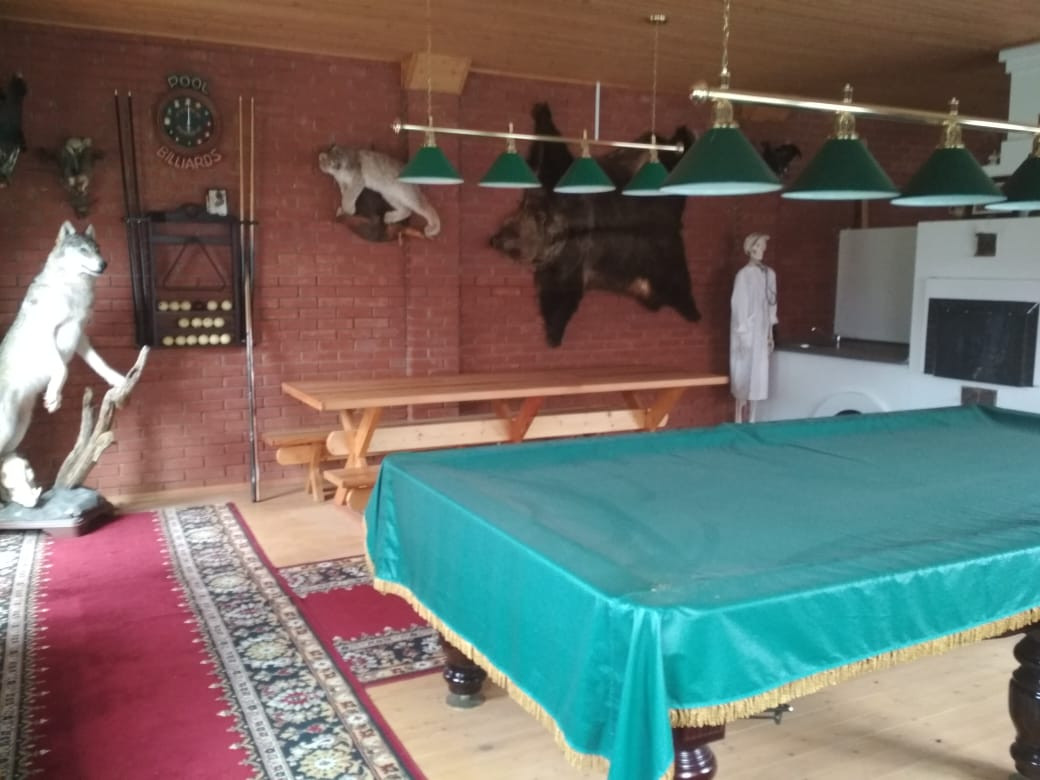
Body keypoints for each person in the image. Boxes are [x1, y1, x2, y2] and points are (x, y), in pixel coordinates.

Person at [730, 232, 778, 423]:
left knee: (759, 374)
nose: (760, 251)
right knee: (743, 372)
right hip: (747, 331)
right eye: (757, 246)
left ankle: (753, 418)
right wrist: (743, 333)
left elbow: (772, 303)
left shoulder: (769, 274)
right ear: (750, 248)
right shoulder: (743, 275)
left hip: (762, 329)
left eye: (762, 247)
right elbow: (739, 304)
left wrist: (770, 333)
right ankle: (739, 417)